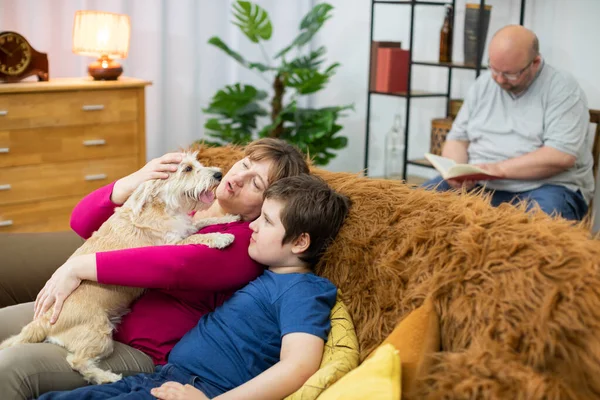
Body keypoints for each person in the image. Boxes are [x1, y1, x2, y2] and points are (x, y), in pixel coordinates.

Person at [0, 138, 310, 399]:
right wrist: (135, 181)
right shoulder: (181, 196)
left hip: (135, 350)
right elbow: (81, 223)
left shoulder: (243, 241)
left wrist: (79, 267)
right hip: (81, 307)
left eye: (255, 182)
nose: (237, 177)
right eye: (244, 163)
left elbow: (174, 265)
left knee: (11, 366)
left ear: (272, 202)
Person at [38, 173, 351, 400]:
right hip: (163, 378)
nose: (252, 225)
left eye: (267, 221)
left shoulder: (304, 290)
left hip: (200, 390)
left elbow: (298, 366)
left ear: (300, 242)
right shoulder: (261, 273)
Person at [422, 25, 594, 221]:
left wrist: (497, 170)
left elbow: (560, 156)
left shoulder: (562, 88)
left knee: (532, 235)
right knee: (412, 209)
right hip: (479, 184)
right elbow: (457, 140)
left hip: (545, 187)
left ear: (535, 62)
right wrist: (457, 172)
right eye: (494, 69)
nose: (499, 79)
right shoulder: (484, 83)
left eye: (510, 74)